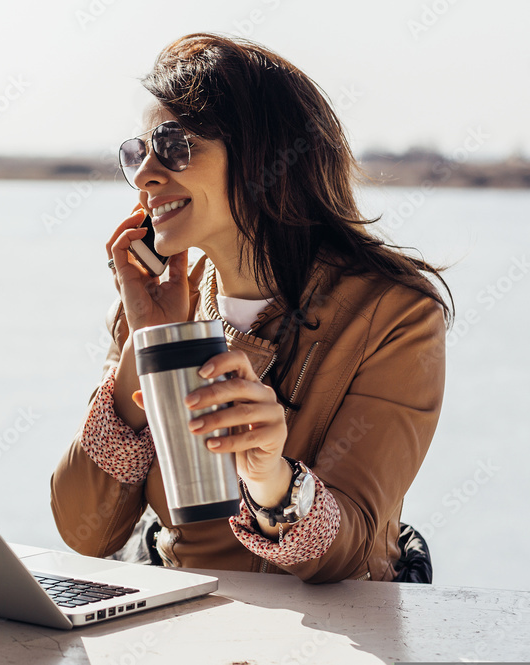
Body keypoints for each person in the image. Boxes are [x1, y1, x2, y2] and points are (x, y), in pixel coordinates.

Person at [49, 33, 453, 583]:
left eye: (172, 145)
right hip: (184, 624)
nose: (145, 174)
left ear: (265, 154)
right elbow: (86, 533)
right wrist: (145, 344)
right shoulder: (157, 300)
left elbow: (355, 555)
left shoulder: (394, 314)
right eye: (136, 153)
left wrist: (273, 480)